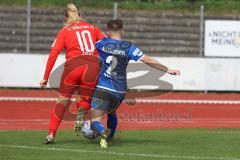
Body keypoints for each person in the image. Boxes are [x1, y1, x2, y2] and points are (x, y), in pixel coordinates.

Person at [90, 19, 180, 148]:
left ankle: (103, 132)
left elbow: (88, 54)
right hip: (119, 90)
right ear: (123, 31)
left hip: (103, 87)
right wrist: (168, 70)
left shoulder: (100, 44)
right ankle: (109, 139)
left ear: (108, 32)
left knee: (94, 121)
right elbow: (147, 59)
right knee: (111, 112)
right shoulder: (128, 47)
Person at [40, 3, 105, 144]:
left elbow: (53, 54)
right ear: (80, 15)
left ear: (66, 17)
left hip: (73, 67)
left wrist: (45, 77)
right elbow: (106, 44)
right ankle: (81, 110)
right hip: (92, 66)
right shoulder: (92, 28)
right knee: (84, 99)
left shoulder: (65, 31)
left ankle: (51, 135)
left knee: (62, 101)